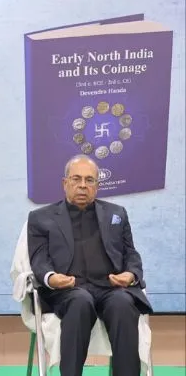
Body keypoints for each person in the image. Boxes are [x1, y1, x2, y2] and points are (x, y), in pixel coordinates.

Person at [27, 154, 151, 376]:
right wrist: (51, 278)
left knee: (123, 303)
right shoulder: (40, 218)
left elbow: (131, 253)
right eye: (76, 179)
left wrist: (131, 275)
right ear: (65, 183)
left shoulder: (117, 214)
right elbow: (39, 259)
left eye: (89, 180)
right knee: (80, 301)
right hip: (68, 290)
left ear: (97, 185)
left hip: (110, 287)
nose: (83, 185)